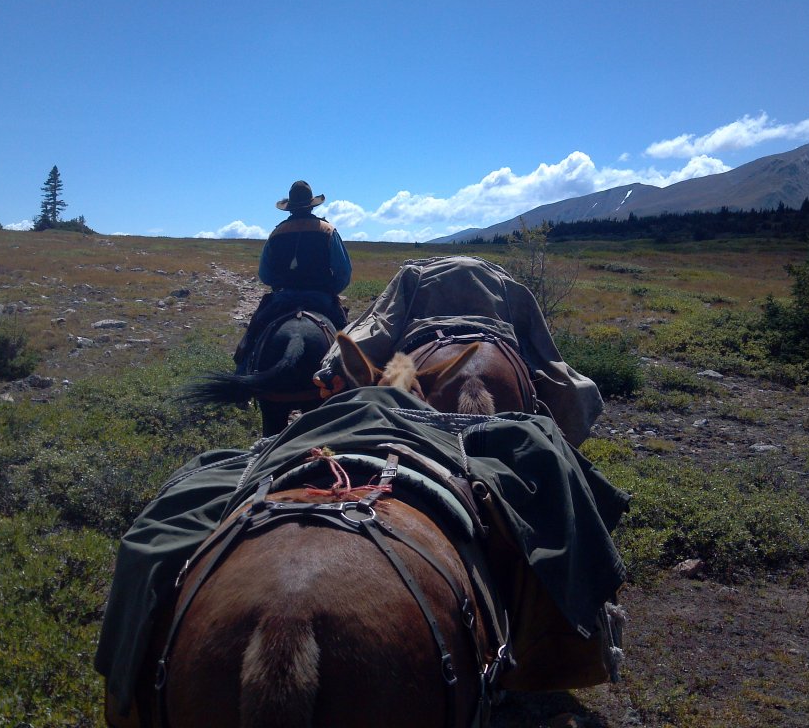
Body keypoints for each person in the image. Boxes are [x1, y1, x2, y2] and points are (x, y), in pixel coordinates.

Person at [94, 385, 629, 717]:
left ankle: (124, 692)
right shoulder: (339, 246)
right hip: (408, 434)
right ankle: (563, 642)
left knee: (154, 534)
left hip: (313, 434)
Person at [313, 255, 603, 446]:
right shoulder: (503, 282)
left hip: (424, 332)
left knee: (370, 353)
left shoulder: (413, 275)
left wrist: (338, 361)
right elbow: (533, 329)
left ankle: (335, 381)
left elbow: (382, 320)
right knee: (547, 366)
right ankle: (567, 445)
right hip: (495, 329)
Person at [233, 180, 351, 372]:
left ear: (289, 209)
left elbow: (265, 274)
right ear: (311, 206)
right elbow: (343, 272)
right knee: (349, 341)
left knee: (252, 337)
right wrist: (330, 289)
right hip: (320, 297)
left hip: (283, 297)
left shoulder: (276, 233)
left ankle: (241, 383)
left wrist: (281, 284)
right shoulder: (327, 230)